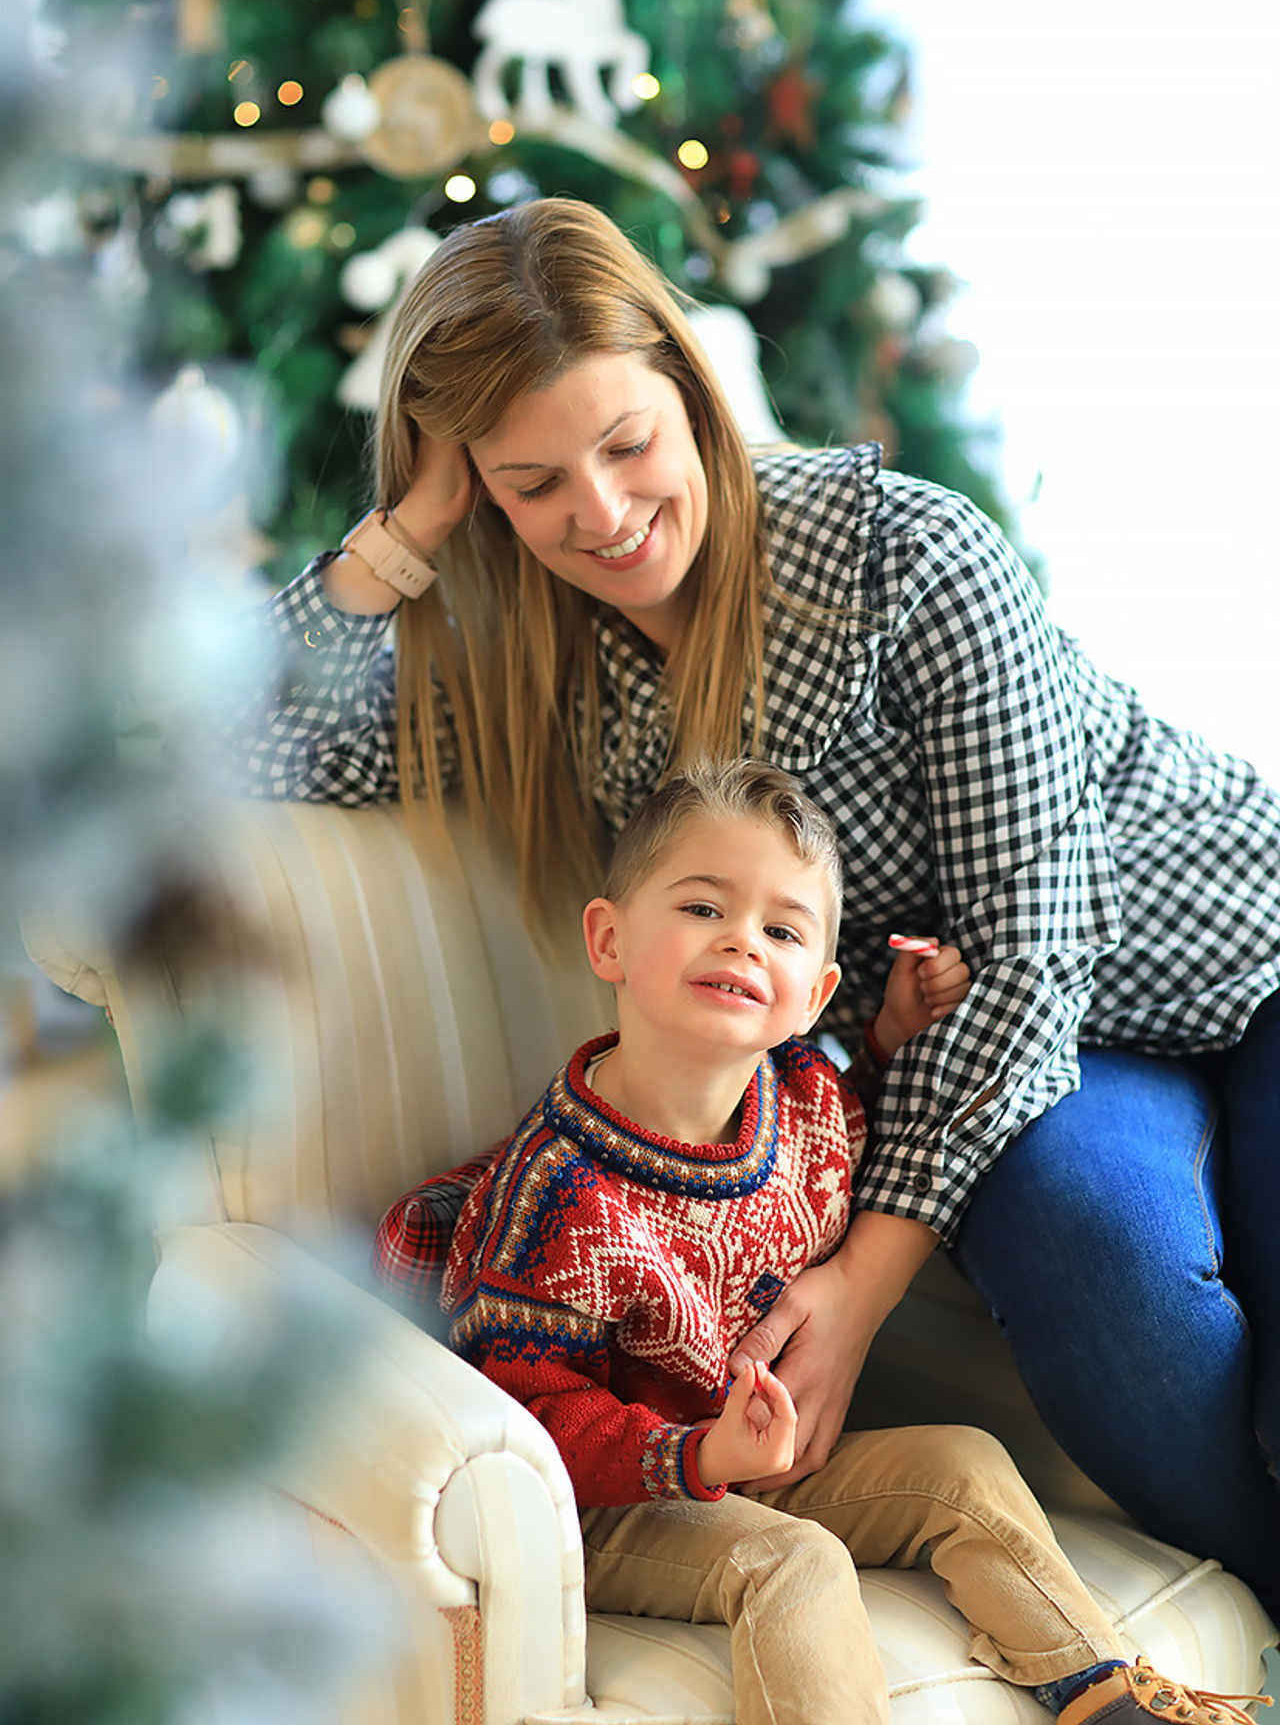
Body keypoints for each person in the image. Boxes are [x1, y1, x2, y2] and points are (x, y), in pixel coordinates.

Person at [225, 196, 1280, 1621]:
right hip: (1041, 1067)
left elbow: (1035, 952)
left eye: (625, 444)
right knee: (1097, 1263)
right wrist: (405, 525)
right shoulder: (550, 684)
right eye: (531, 482)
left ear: (691, 390)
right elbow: (240, 748)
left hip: (1222, 947)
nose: (598, 514)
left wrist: (851, 1290)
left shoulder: (907, 552)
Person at [374, 760, 1264, 1725]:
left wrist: (884, 1038)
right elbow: (524, 1415)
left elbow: (842, 1135)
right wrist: (701, 1457)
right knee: (792, 1561)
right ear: (610, 939)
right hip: (606, 1503)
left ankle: (1106, 1696)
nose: (741, 942)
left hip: (761, 1457)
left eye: (781, 930)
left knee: (964, 1465)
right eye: (704, 907)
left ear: (812, 993)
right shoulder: (556, 1198)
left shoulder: (795, 1094)